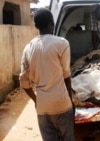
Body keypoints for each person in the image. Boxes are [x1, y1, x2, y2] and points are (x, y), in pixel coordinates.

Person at [19, 8, 75, 141]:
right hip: (61, 104)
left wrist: (36, 100)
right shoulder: (62, 43)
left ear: (36, 26)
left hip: (42, 108)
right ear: (51, 24)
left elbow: (24, 83)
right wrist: (70, 101)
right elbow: (66, 75)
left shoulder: (28, 48)